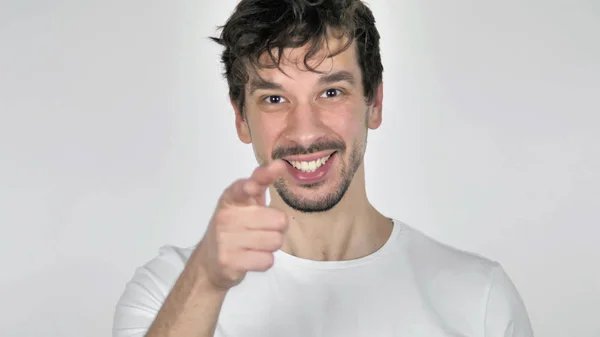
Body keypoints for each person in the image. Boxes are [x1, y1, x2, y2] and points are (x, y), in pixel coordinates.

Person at [112, 1, 534, 336]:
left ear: (375, 103)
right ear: (241, 118)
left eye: (331, 91)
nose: (305, 131)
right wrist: (206, 280)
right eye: (274, 99)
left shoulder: (480, 299)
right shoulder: (170, 290)